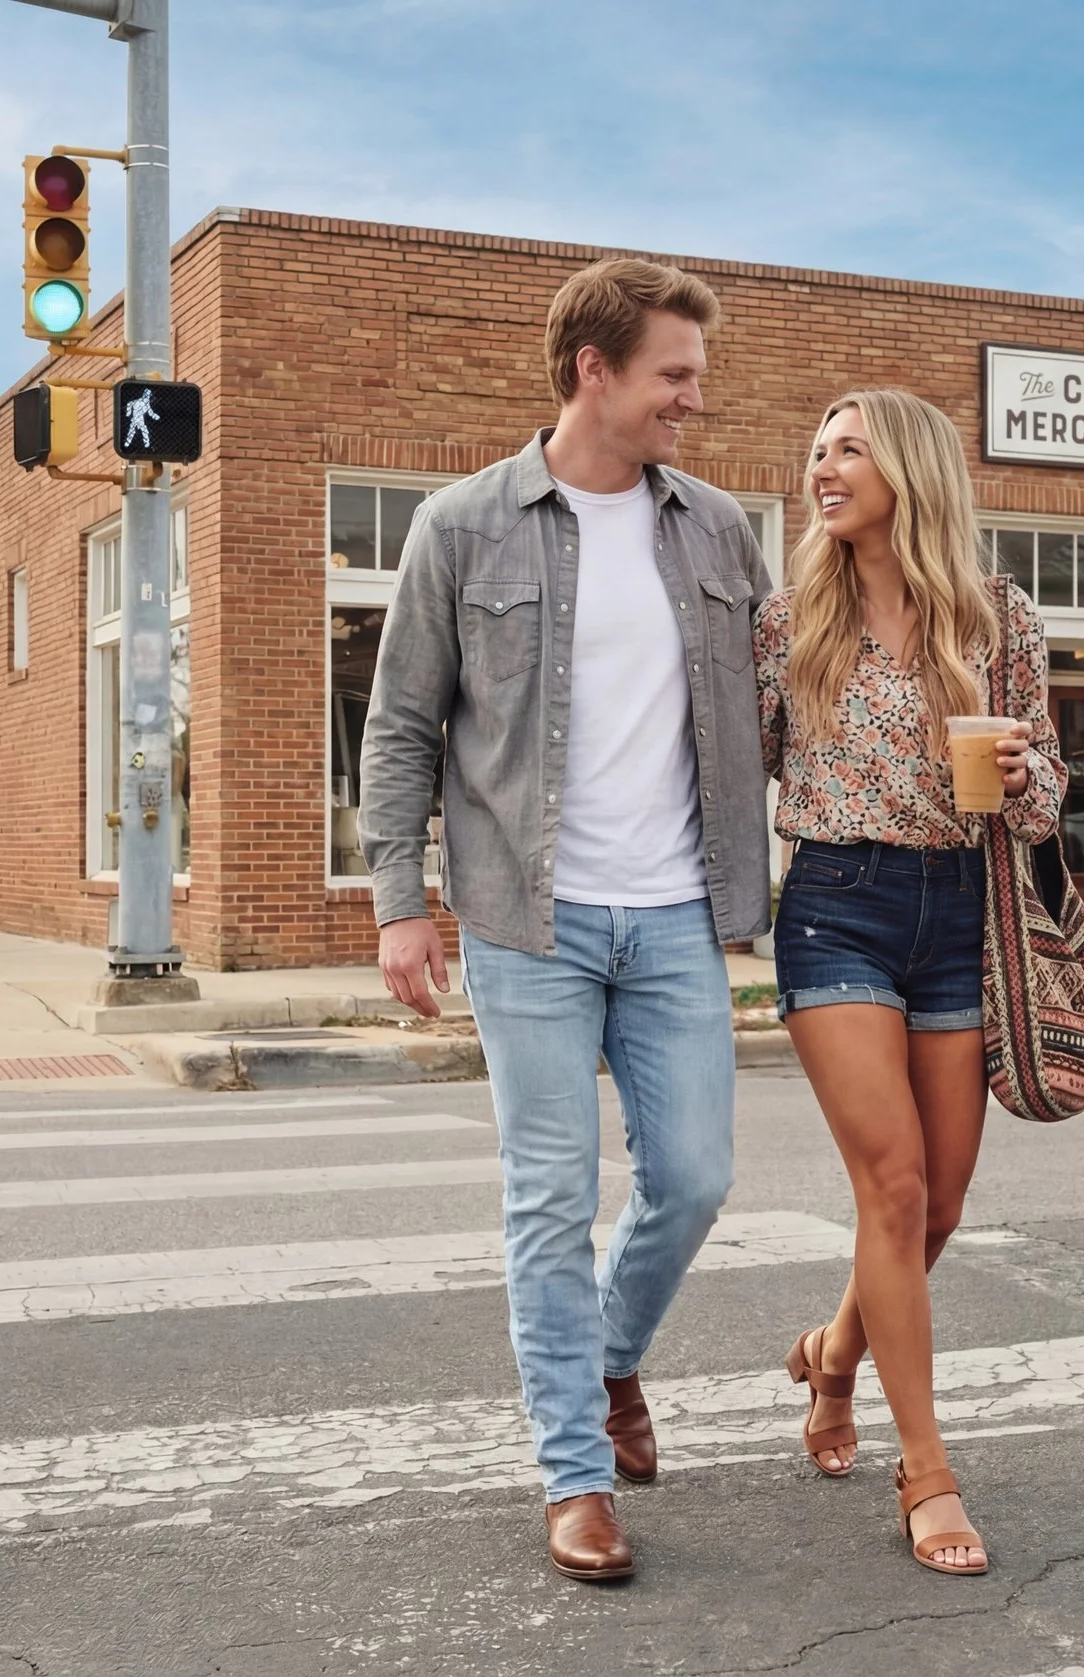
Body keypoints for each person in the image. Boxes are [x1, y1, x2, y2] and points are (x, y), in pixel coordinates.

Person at [361, 257, 771, 1583]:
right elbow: (402, 728)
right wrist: (399, 906)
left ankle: (606, 1361)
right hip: (523, 919)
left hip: (672, 915)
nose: (692, 402)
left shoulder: (715, 530)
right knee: (548, 1199)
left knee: (697, 1178)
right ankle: (575, 1477)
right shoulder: (462, 527)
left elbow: (774, 705)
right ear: (594, 370)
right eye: (674, 375)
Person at [754, 388, 1060, 1577]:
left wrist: (1027, 770)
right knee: (888, 1185)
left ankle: (832, 1356)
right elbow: (742, 769)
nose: (822, 469)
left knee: (936, 1208)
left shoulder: (999, 619)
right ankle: (924, 1467)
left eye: (846, 451)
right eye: (815, 449)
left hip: (957, 912)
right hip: (835, 907)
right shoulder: (786, 624)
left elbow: (1036, 805)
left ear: (910, 472)